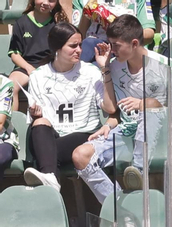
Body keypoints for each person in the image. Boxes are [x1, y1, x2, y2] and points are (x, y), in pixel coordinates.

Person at [20, 24, 114, 200]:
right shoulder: (38, 76)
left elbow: (110, 109)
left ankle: (50, 179)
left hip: (85, 134)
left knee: (47, 155)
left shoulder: (91, 71)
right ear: (57, 47)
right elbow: (39, 120)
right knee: (39, 124)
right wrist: (35, 113)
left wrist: (105, 69)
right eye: (73, 46)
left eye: (80, 45)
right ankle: (51, 179)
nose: (79, 50)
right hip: (52, 136)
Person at [95, 14, 172, 189]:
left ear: (134, 43)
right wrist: (104, 69)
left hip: (166, 136)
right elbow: (113, 110)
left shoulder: (168, 66)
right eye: (110, 44)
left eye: (116, 45)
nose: (111, 50)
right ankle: (116, 200)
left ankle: (138, 171)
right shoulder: (113, 67)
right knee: (81, 156)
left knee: (150, 106)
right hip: (128, 132)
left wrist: (150, 106)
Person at [7, 0, 68, 90]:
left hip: (51, 67)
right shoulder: (21, 23)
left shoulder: (58, 23)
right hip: (26, 67)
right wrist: (30, 69)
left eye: (51, 0)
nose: (46, 3)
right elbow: (15, 54)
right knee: (10, 87)